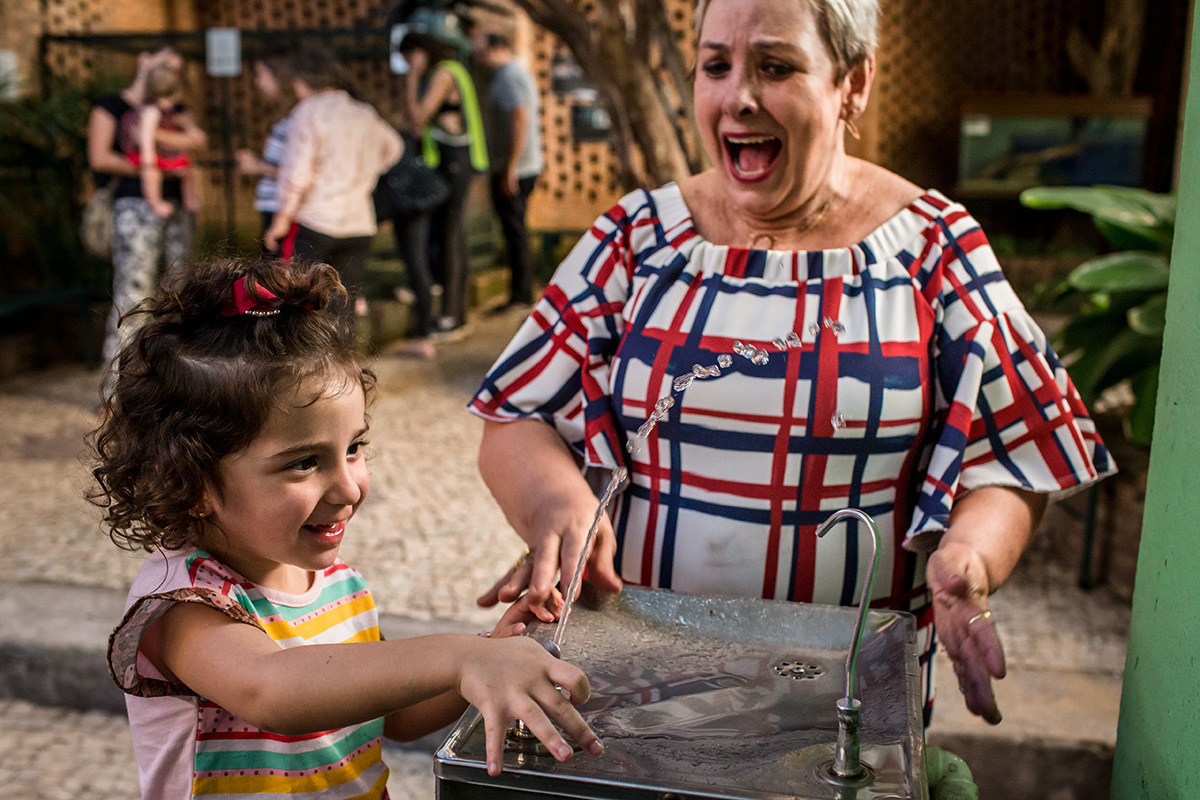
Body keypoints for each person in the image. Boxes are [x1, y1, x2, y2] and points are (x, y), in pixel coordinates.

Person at [468, 0, 1115, 728]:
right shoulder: (636, 238)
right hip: (635, 687)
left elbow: (1016, 450)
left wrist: (972, 554)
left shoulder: (933, 250)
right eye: (716, 66)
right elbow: (515, 415)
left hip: (845, 701)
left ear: (853, 82)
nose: (739, 96)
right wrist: (557, 501)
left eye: (775, 67)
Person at [89, 257, 603, 798]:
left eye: (354, 448)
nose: (351, 487)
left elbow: (394, 715)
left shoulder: (340, 585)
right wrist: (460, 655)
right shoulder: (184, 605)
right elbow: (275, 691)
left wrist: (490, 651)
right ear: (190, 483)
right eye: (303, 463)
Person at [87, 43, 207, 397]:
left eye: (178, 67)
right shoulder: (113, 105)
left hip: (175, 207)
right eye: (167, 63)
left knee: (180, 292)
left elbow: (197, 140)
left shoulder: (175, 107)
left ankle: (176, 387)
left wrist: (156, 137)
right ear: (144, 61)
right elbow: (100, 157)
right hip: (135, 205)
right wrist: (151, 165)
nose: (173, 71)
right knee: (133, 295)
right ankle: (116, 392)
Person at [265, 47, 402, 328]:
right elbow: (394, 147)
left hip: (317, 221)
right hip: (359, 224)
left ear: (301, 83)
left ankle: (303, 369)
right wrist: (365, 172)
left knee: (300, 303)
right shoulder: (363, 111)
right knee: (343, 307)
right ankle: (344, 367)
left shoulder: (308, 112)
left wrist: (281, 219)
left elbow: (296, 172)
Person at [398, 29, 488, 339]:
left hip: (453, 159)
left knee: (450, 235)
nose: (409, 63)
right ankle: (452, 309)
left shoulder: (444, 73)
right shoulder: (452, 70)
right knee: (448, 234)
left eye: (409, 57)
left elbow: (417, 117)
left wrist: (412, 76)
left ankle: (453, 315)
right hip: (454, 158)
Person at [477, 30, 544, 310]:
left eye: (480, 50)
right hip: (519, 165)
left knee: (515, 233)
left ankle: (521, 295)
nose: (477, 56)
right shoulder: (515, 73)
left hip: (515, 168)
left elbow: (520, 119)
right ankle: (521, 293)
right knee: (515, 232)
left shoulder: (508, 75)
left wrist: (511, 168)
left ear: (496, 47)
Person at [235, 52, 296, 250]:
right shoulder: (286, 117)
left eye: (261, 75)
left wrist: (257, 166)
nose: (257, 82)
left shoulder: (297, 120)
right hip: (274, 207)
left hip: (284, 212)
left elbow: (301, 171)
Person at [124, 64, 198, 220]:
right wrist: (149, 160)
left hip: (161, 154)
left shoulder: (167, 111)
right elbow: (146, 138)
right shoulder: (151, 111)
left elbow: (194, 135)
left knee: (185, 168)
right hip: (145, 156)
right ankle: (154, 201)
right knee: (153, 175)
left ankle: (189, 200)